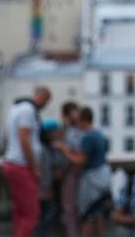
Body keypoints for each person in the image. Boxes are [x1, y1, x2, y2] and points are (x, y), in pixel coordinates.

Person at [53, 107, 110, 237]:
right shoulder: (98, 133)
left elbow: (80, 160)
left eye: (77, 121)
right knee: (98, 214)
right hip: (102, 177)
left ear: (83, 120)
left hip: (92, 180)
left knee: (87, 215)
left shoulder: (88, 137)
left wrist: (64, 150)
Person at [3, 85, 51, 237]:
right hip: (21, 166)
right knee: (31, 213)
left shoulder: (16, 108)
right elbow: (24, 139)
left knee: (20, 212)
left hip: (13, 162)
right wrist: (35, 167)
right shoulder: (27, 111)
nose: (45, 105)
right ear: (41, 96)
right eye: (46, 100)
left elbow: (7, 137)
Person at [59, 101, 83, 237]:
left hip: (74, 173)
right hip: (70, 174)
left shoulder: (77, 130)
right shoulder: (67, 129)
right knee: (70, 209)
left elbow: (76, 150)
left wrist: (64, 149)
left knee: (73, 209)